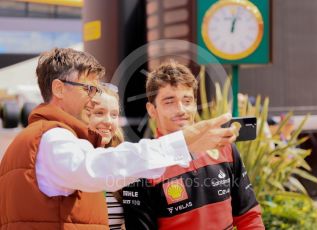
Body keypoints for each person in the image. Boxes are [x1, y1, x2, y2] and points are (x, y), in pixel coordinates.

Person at [0, 48, 237, 229]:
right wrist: (182, 142)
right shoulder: (52, 137)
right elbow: (100, 168)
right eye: (88, 88)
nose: (93, 98)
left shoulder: (41, 136)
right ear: (59, 89)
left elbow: (110, 173)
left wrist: (186, 147)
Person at [122, 62, 265, 229]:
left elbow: (249, 217)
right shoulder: (142, 164)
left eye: (187, 100)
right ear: (152, 109)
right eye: (169, 102)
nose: (181, 109)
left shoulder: (223, 147)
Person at [84, 83, 126, 229]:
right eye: (99, 113)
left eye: (114, 114)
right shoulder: (71, 160)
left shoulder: (123, 163)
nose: (108, 121)